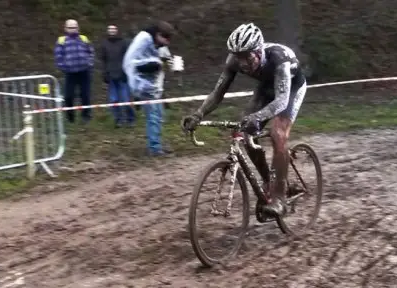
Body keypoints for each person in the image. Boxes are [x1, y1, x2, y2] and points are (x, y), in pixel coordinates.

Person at [181, 23, 307, 217]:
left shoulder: (278, 59)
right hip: (266, 88)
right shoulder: (234, 61)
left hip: (290, 90)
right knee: (243, 132)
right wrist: (198, 114)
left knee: (278, 134)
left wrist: (258, 116)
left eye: (247, 57)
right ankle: (268, 181)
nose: (243, 63)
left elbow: (281, 101)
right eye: (239, 58)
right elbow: (218, 93)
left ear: (258, 50)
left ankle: (280, 198)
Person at [123, 20, 175, 156]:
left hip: (153, 86)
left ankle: (156, 144)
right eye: (165, 38)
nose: (167, 43)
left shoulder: (156, 43)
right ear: (158, 34)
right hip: (143, 85)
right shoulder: (143, 40)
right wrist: (155, 65)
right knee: (154, 116)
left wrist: (167, 62)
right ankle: (154, 148)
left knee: (158, 116)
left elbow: (161, 58)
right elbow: (132, 63)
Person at [54, 19, 94, 124]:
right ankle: (70, 116)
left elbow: (91, 52)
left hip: (84, 72)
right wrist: (64, 67)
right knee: (68, 96)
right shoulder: (61, 40)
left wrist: (89, 63)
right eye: (71, 27)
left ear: (78, 28)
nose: (73, 29)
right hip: (70, 73)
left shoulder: (84, 38)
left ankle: (86, 116)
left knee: (85, 95)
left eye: (75, 27)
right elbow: (59, 57)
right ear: (66, 28)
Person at [99, 24, 133, 128]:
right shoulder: (104, 44)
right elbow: (103, 60)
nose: (112, 31)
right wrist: (104, 73)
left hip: (123, 75)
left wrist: (127, 72)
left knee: (126, 99)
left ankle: (130, 119)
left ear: (117, 30)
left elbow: (128, 58)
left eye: (113, 29)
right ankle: (118, 120)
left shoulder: (123, 42)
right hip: (111, 76)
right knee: (114, 100)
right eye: (110, 29)